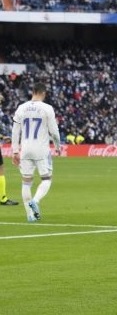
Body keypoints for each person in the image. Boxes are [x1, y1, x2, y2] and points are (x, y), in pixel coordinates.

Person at [11, 82, 62, 222]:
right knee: (46, 179)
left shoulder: (21, 108)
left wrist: (15, 151)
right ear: (43, 93)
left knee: (26, 182)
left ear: (32, 92)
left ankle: (29, 215)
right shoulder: (47, 108)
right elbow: (54, 131)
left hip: (25, 150)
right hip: (41, 150)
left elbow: (15, 131)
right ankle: (36, 201)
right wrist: (58, 145)